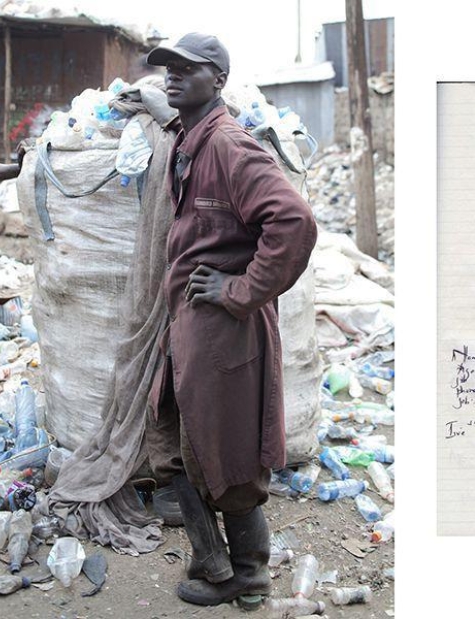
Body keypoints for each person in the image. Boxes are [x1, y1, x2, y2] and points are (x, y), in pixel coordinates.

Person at [144, 33, 317, 606]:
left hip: (224, 325)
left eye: (186, 69)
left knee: (230, 454)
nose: (171, 77)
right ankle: (213, 563)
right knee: (178, 443)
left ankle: (248, 576)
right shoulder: (187, 140)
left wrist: (240, 289)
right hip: (191, 319)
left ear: (216, 80)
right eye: (166, 68)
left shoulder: (228, 145)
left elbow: (292, 222)